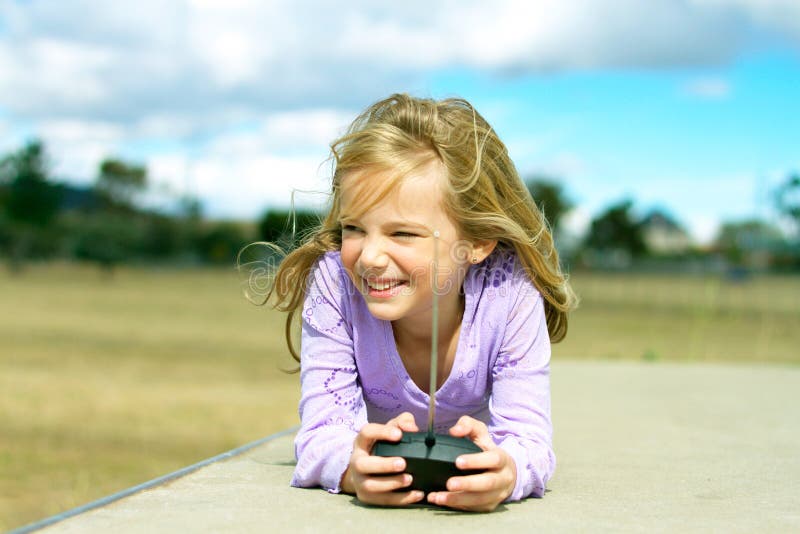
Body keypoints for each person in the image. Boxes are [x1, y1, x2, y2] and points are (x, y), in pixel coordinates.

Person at [264, 93, 577, 512]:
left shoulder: (512, 292)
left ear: (478, 242)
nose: (370, 257)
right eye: (354, 228)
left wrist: (507, 472)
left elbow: (528, 441)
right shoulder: (334, 281)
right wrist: (352, 470)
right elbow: (323, 432)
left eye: (403, 234)